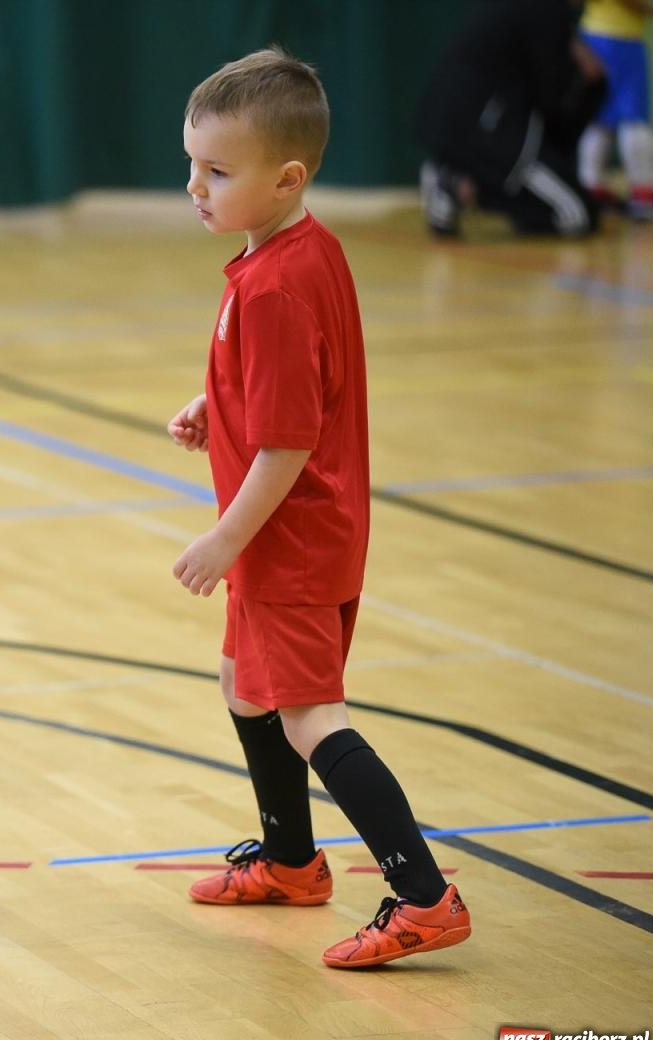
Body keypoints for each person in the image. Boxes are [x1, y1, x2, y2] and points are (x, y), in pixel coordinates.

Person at [169, 48, 471, 968]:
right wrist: (217, 402)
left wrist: (224, 539)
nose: (196, 187)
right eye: (192, 164)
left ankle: (424, 898)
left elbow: (288, 445)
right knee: (243, 684)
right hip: (295, 536)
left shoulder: (273, 286)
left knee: (307, 716)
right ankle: (292, 862)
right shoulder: (297, 249)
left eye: (218, 172)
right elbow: (300, 381)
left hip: (288, 539)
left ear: (287, 177)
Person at [416, 0, 608, 237]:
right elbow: (551, 99)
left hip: (470, 122)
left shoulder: (545, 12)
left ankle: (455, 180)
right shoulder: (547, 10)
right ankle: (455, 186)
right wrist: (587, 81)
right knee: (577, 216)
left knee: (569, 205)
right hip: (490, 128)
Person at [577, 0, 653, 218]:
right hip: (619, 39)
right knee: (634, 114)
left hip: (594, 35)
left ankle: (591, 184)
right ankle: (642, 189)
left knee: (600, 116)